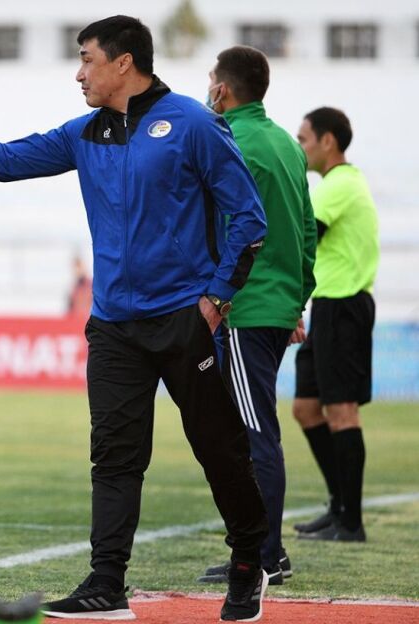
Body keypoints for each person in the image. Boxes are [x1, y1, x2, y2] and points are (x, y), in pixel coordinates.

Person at [0, 15, 270, 622]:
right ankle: (106, 584)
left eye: (86, 59)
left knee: (219, 450)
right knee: (114, 457)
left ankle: (248, 561)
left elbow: (250, 219)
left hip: (184, 320)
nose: (79, 73)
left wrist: (216, 299)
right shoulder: (84, 133)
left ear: (124, 62)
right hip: (113, 326)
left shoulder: (192, 123)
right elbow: (5, 159)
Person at [195, 46, 317, 588]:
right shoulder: (288, 144)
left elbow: (223, 229)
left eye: (210, 81)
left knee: (252, 434)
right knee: (251, 429)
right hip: (278, 302)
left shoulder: (229, 140)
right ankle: (265, 552)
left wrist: (219, 299)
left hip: (244, 306)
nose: (207, 89)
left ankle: (264, 556)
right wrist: (297, 298)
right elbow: (307, 229)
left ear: (222, 90)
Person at [291, 107, 378, 542]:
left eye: (303, 139)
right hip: (327, 306)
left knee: (342, 412)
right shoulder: (336, 184)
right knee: (306, 408)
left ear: (328, 141)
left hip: (344, 306)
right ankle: (339, 505)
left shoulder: (340, 183)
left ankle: (351, 522)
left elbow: (304, 236)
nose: (300, 146)